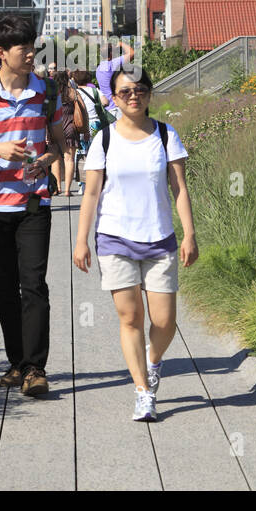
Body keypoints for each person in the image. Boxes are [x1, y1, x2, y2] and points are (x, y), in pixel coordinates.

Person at [73, 66, 198, 422]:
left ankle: (152, 360)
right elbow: (92, 193)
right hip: (115, 239)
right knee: (130, 317)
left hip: (160, 239)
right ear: (114, 98)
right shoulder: (105, 140)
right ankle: (143, 391)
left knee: (165, 321)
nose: (133, 96)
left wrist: (189, 234)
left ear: (148, 94)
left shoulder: (165, 134)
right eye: (125, 91)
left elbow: (180, 189)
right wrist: (81, 240)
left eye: (140, 89)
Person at [0, 15, 68, 397]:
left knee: (34, 285)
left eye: (32, 46)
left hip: (33, 202)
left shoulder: (48, 92)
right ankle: (17, 363)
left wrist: (48, 158)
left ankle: (36, 368)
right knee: (5, 289)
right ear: (1, 53)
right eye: (23, 47)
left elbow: (59, 142)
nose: (31, 54)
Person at [70, 69, 110, 196]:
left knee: (81, 153)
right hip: (95, 125)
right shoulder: (94, 90)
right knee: (97, 153)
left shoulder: (74, 92)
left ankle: (83, 184)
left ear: (75, 80)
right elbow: (105, 102)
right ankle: (98, 182)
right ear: (88, 80)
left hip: (79, 125)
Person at [50, 70, 79, 198]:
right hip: (70, 128)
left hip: (55, 128)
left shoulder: (52, 94)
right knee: (69, 159)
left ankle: (57, 188)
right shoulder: (72, 92)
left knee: (55, 159)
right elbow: (81, 108)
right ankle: (67, 190)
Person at [95, 38, 136, 111]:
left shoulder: (98, 69)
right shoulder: (112, 64)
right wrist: (120, 43)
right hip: (117, 107)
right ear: (111, 53)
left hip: (107, 108)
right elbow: (132, 53)